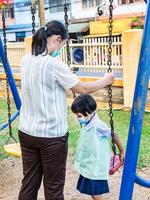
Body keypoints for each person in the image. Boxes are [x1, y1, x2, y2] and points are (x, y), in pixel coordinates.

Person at [18, 20, 115, 200]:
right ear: (56, 39)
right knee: (54, 188)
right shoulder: (55, 65)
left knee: (29, 183)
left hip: (27, 132)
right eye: (63, 43)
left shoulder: (26, 59)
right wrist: (106, 80)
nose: (61, 48)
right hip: (51, 137)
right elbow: (83, 89)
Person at [71, 94, 124, 200]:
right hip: (90, 164)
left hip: (96, 166)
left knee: (94, 193)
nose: (78, 119)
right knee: (92, 191)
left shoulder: (99, 125)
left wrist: (122, 151)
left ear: (88, 113)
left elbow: (114, 135)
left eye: (79, 116)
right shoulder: (87, 122)